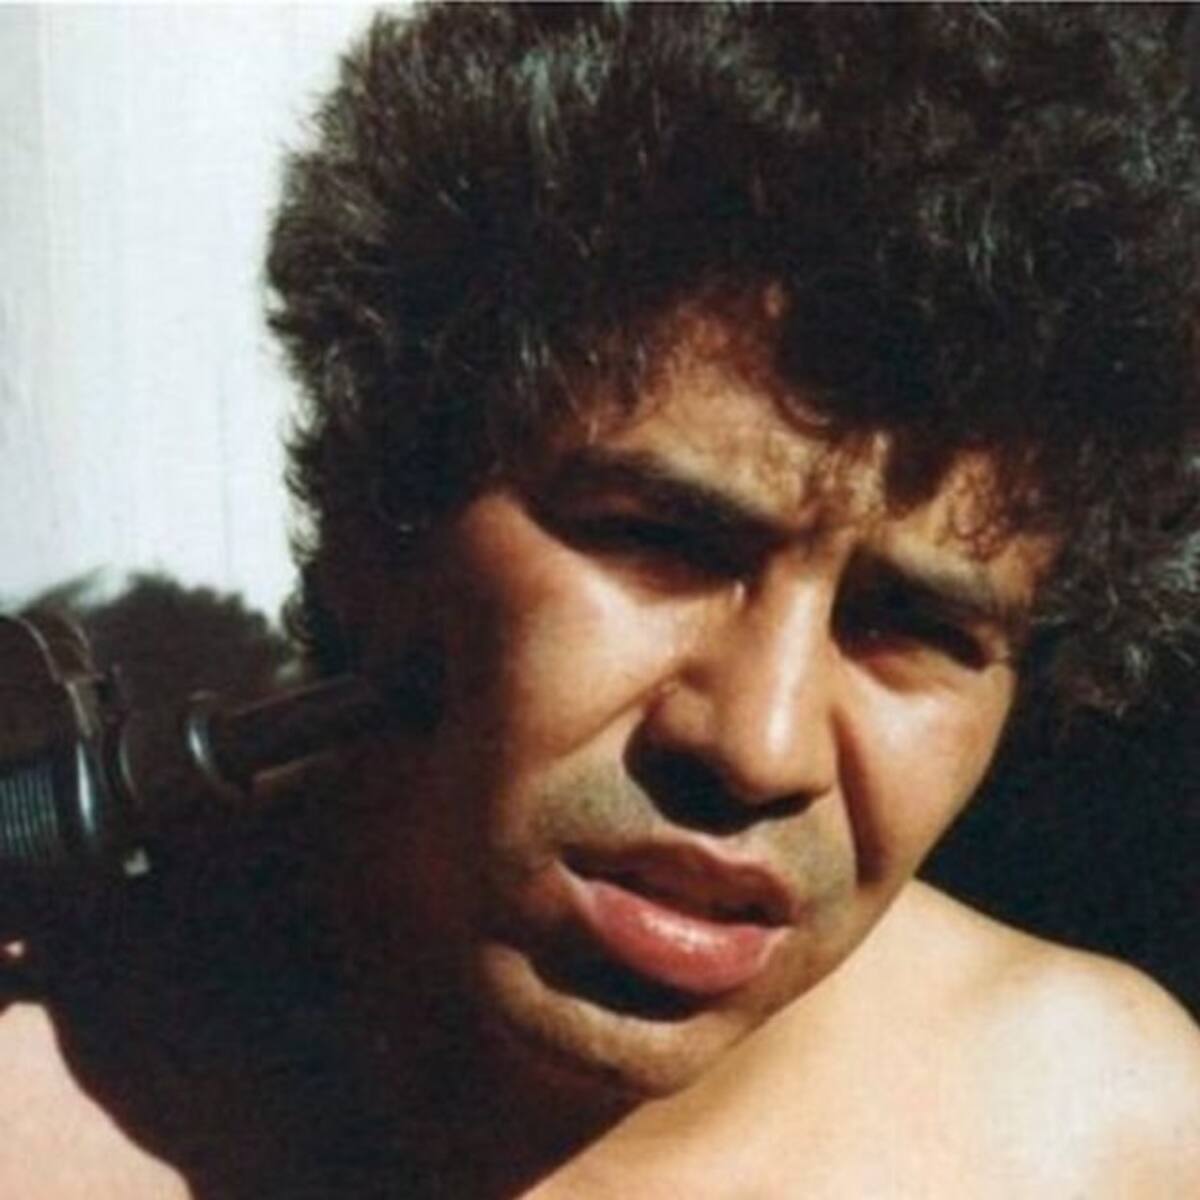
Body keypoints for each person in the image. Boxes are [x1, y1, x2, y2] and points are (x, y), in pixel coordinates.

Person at [2, 4, 1199, 1196]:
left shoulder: (1101, 1132)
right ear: (387, 515)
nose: (760, 746)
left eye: (916, 628)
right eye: (657, 542)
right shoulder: (36, 1120)